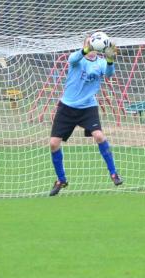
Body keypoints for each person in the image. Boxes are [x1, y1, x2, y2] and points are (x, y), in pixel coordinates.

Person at [48, 35, 121, 195]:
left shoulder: (100, 63)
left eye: (93, 43)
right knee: (53, 143)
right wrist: (86, 49)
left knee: (99, 136)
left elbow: (109, 74)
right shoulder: (78, 59)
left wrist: (110, 60)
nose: (92, 46)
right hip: (67, 106)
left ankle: (114, 173)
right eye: (89, 43)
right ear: (85, 45)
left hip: (88, 107)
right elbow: (72, 59)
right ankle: (61, 179)